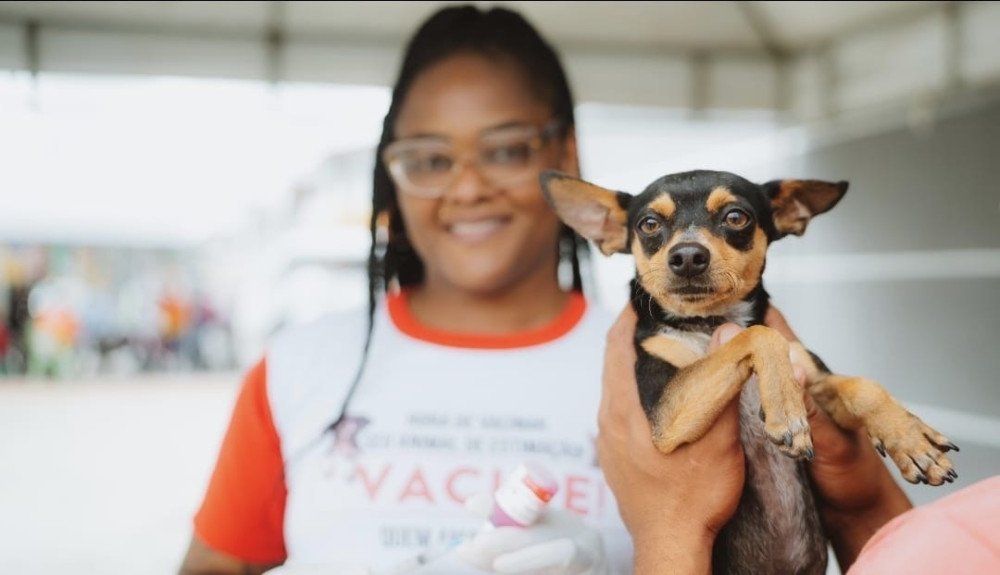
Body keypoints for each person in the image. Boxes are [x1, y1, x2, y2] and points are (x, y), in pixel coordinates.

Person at [180, 5, 631, 574]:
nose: (467, 189)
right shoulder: (299, 368)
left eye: (505, 150)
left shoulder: (649, 368)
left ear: (565, 155)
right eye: (430, 159)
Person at [595, 305, 925, 574]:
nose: (690, 250)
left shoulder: (773, 335)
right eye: (652, 226)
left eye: (735, 219)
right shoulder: (655, 344)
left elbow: (832, 396)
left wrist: (884, 414)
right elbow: (669, 429)